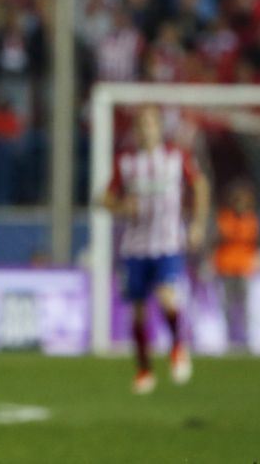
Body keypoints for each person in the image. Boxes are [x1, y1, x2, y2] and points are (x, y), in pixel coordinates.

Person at [101, 105, 210, 394]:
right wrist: (121, 206)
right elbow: (105, 199)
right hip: (135, 246)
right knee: (138, 311)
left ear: (160, 128)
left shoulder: (176, 157)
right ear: (135, 131)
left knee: (166, 297)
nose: (145, 130)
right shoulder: (125, 162)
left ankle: (178, 347)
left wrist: (198, 224)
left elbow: (200, 185)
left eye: (150, 124)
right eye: (140, 125)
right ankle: (144, 370)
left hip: (167, 242)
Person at [213, 178, 260, 349]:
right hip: (226, 266)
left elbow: (255, 243)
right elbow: (221, 238)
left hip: (244, 267)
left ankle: (246, 339)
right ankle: (229, 339)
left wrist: (256, 261)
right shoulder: (225, 217)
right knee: (227, 305)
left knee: (245, 306)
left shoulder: (251, 219)